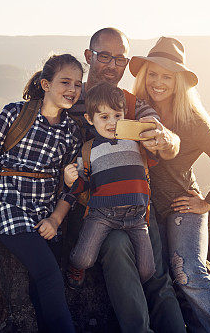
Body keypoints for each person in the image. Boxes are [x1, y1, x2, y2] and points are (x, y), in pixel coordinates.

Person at [0, 28, 186, 333]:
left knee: (157, 278)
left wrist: (164, 139)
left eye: (120, 59)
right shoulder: (69, 98)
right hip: (88, 207)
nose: (112, 65)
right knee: (110, 253)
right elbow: (32, 136)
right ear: (89, 56)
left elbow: (168, 139)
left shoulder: (130, 103)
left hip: (132, 201)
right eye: (105, 56)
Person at [130, 37, 210, 333]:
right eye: (152, 74)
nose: (157, 82)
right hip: (148, 208)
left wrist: (207, 203)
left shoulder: (194, 122)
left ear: (179, 81)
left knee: (189, 272)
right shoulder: (134, 109)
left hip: (183, 206)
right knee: (158, 275)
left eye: (166, 76)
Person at [0, 53, 83, 333]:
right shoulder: (15, 113)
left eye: (78, 84)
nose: (72, 90)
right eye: (65, 82)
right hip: (9, 203)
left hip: (44, 213)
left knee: (39, 284)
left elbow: (71, 188)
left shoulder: (71, 132)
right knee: (48, 274)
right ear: (45, 84)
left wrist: (55, 220)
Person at [62, 82, 157, 288]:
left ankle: (125, 282)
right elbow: (82, 185)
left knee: (148, 271)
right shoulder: (88, 150)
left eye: (117, 115)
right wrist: (71, 180)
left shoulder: (136, 143)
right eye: (104, 117)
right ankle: (74, 267)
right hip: (102, 215)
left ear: (125, 115)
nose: (112, 122)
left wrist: (156, 138)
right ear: (89, 119)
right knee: (84, 259)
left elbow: (157, 155)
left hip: (137, 216)